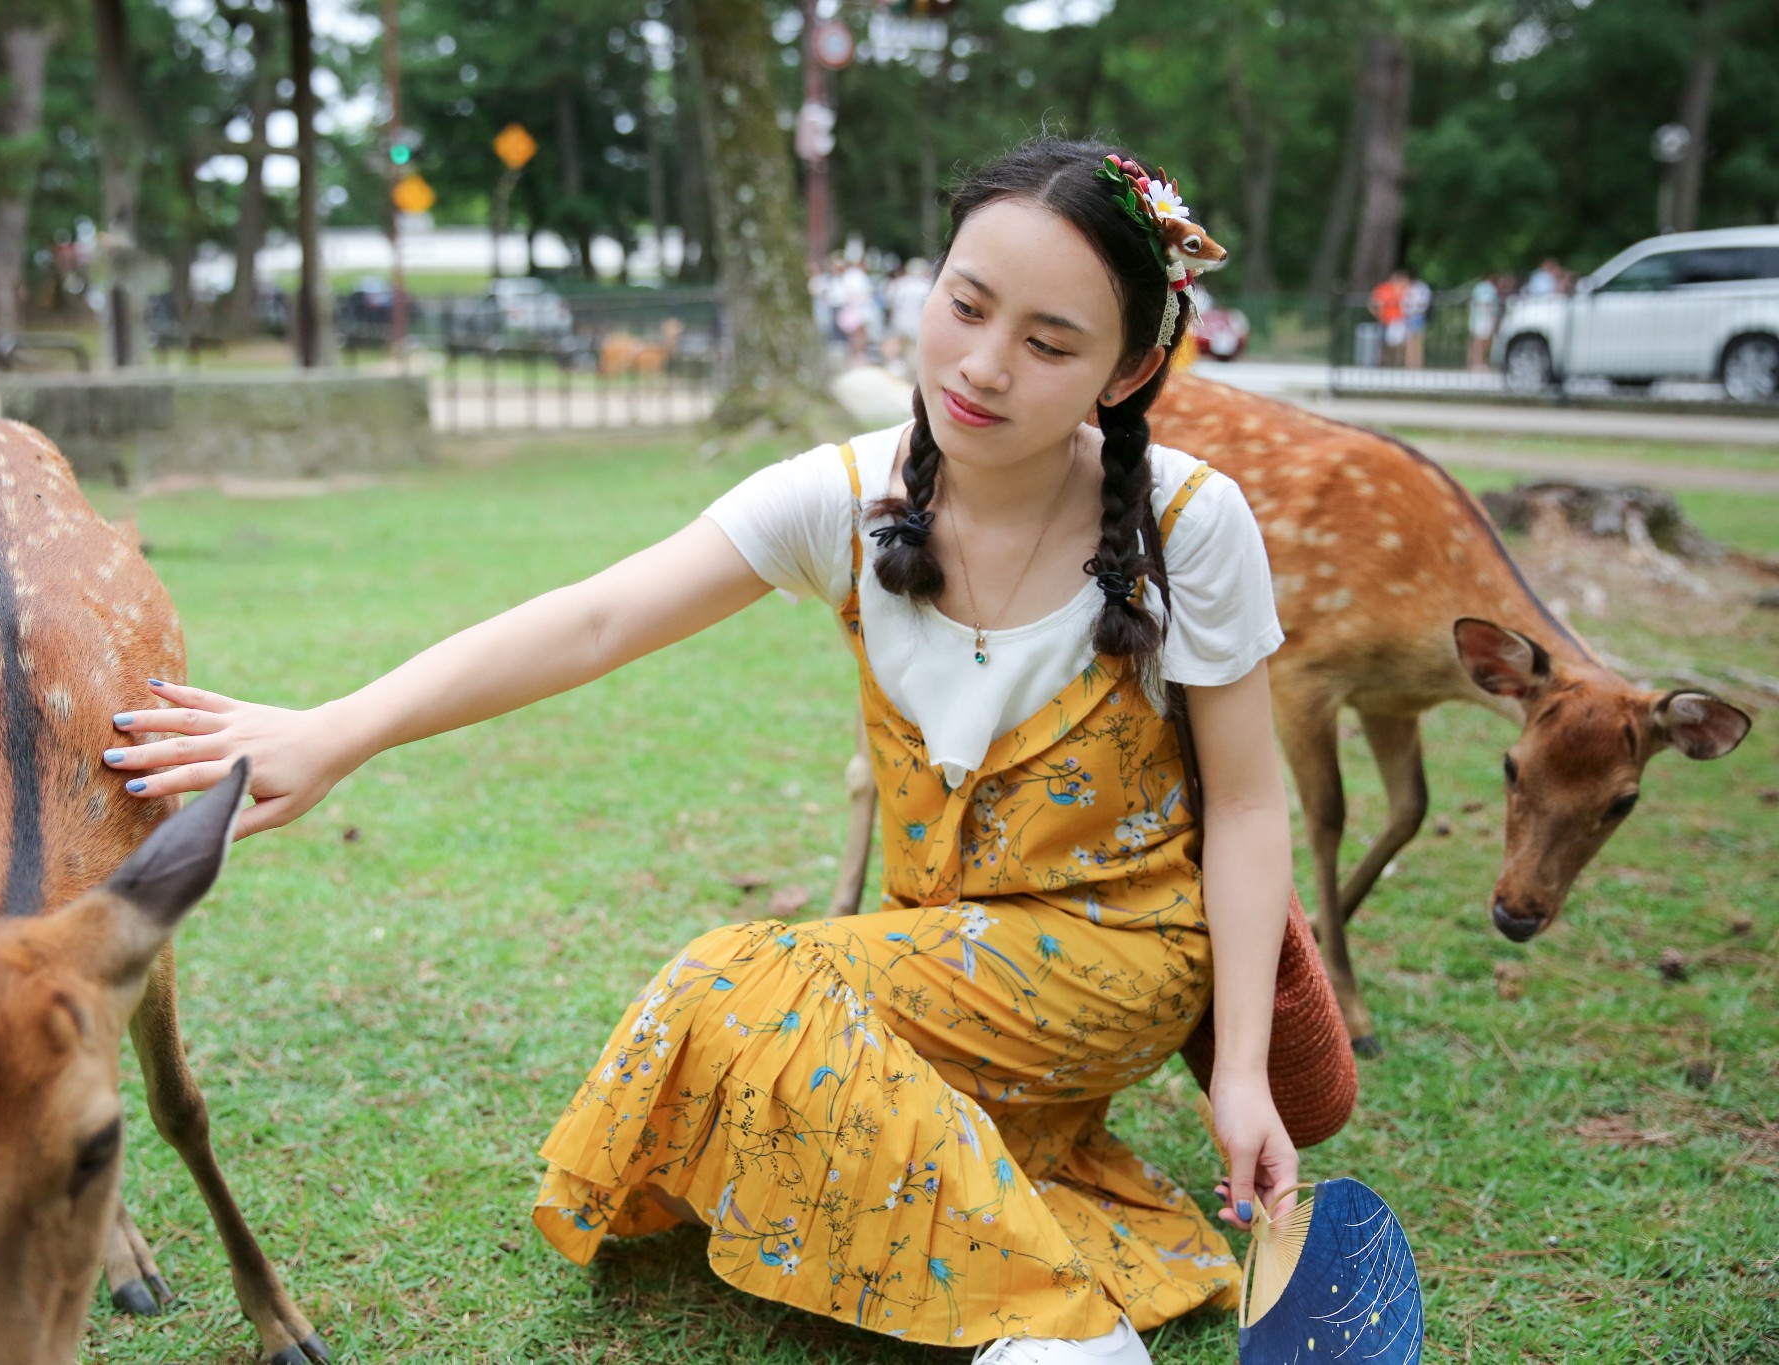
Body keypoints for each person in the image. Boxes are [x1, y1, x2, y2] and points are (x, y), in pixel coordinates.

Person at [100, 137, 1297, 1365]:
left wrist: (1241, 1074)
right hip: (931, 958)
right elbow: (596, 615)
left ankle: (1063, 1336)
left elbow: (1253, 809)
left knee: (741, 982)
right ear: (927, 285)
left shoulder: (1189, 525)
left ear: (1131, 366)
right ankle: (1017, 1204)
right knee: (731, 1033)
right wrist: (338, 730)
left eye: (1048, 344)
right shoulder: (841, 495)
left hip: (1119, 958)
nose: (982, 367)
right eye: (965, 304)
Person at [1367, 269, 1408, 366]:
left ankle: (1397, 363)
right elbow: (1372, 303)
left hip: (1400, 320)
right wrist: (1378, 315)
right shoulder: (1384, 288)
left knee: (1399, 344)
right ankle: (1384, 363)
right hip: (1386, 320)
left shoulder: (1404, 289)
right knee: (1384, 343)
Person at [1467, 274, 1501, 372]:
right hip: (1484, 318)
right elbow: (1489, 304)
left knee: (1478, 342)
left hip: (1478, 318)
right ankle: (1478, 363)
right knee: (1481, 342)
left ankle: (1475, 362)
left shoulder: (1478, 288)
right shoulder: (1489, 289)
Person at [1402, 272, 1431, 370]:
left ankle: (1417, 363)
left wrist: (1415, 309)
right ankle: (1409, 363)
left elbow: (1423, 302)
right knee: (1410, 341)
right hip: (1408, 316)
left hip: (1418, 315)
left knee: (1417, 340)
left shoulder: (1421, 288)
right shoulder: (1408, 287)